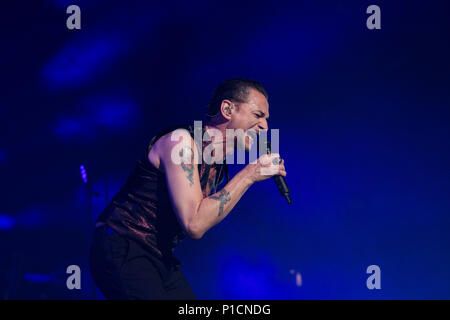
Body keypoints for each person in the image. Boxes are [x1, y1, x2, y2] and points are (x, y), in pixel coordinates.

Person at [89, 78, 287, 299]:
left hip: (160, 256)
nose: (265, 127)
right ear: (228, 109)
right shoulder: (181, 142)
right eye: (258, 115)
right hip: (123, 243)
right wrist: (249, 174)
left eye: (266, 119)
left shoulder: (218, 165)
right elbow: (194, 224)